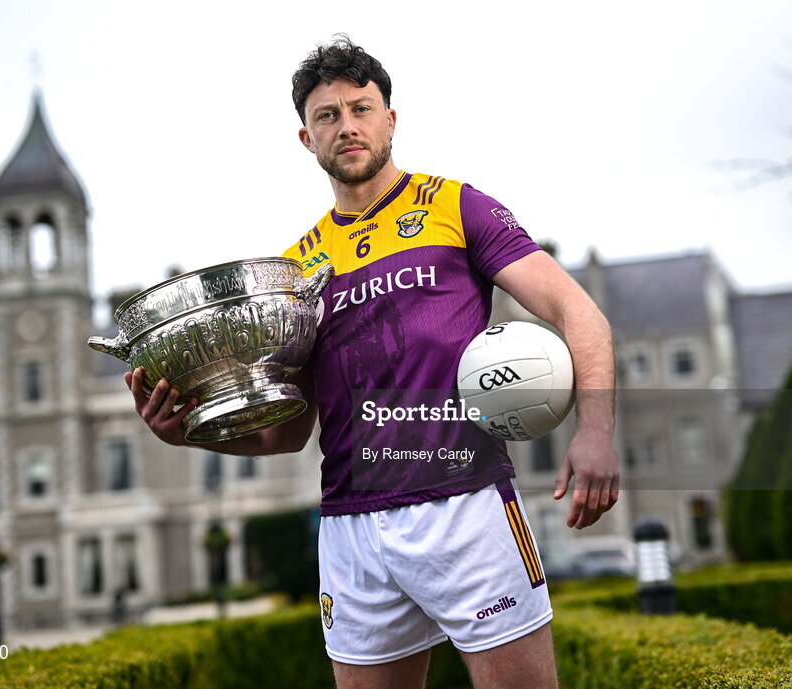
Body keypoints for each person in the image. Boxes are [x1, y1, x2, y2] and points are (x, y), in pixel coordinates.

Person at [125, 37, 620, 689]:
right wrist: (186, 429)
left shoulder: (456, 207)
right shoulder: (296, 270)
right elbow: (286, 430)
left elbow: (576, 310)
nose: (347, 125)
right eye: (328, 115)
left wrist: (595, 430)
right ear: (306, 138)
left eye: (361, 107)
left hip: (467, 506)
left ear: (391, 119)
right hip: (351, 528)